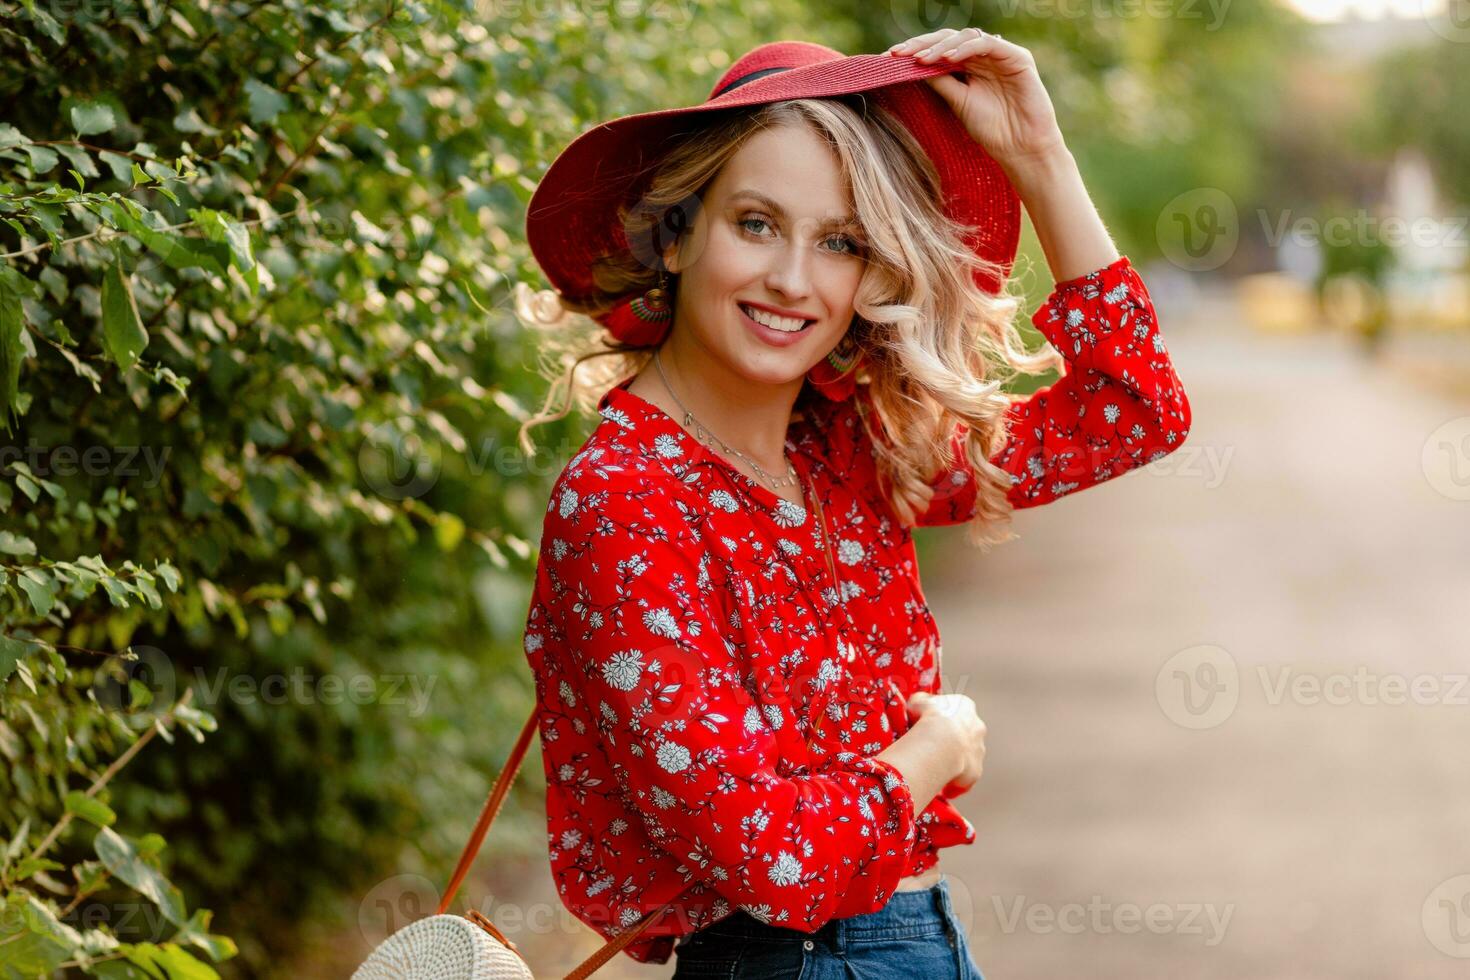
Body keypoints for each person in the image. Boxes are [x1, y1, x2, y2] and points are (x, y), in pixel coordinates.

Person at [512, 30, 1193, 978]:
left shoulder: (846, 453)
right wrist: (937, 747)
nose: (793, 280)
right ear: (677, 234)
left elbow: (1133, 411)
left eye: (839, 242)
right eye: (756, 223)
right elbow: (773, 860)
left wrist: (1039, 154)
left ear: (871, 275)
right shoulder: (626, 502)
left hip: (917, 946)